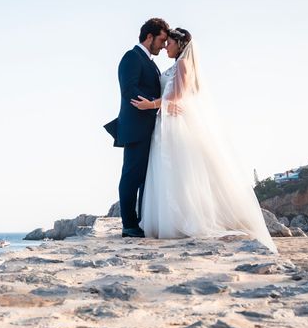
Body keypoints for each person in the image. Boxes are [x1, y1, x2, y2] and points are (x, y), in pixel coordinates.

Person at [131, 28, 277, 253]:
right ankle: (171, 217)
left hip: (175, 125)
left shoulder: (182, 65)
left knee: (178, 171)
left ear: (179, 45)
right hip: (166, 123)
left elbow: (177, 97)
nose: (166, 46)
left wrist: (149, 105)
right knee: (170, 172)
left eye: (169, 42)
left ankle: (183, 219)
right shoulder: (178, 64)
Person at [104, 18, 169, 238]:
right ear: (149, 36)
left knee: (144, 177)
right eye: (161, 39)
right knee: (132, 175)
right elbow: (129, 90)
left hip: (150, 127)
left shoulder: (150, 62)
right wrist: (154, 105)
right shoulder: (132, 57)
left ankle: (141, 221)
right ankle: (129, 225)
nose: (163, 44)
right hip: (136, 127)